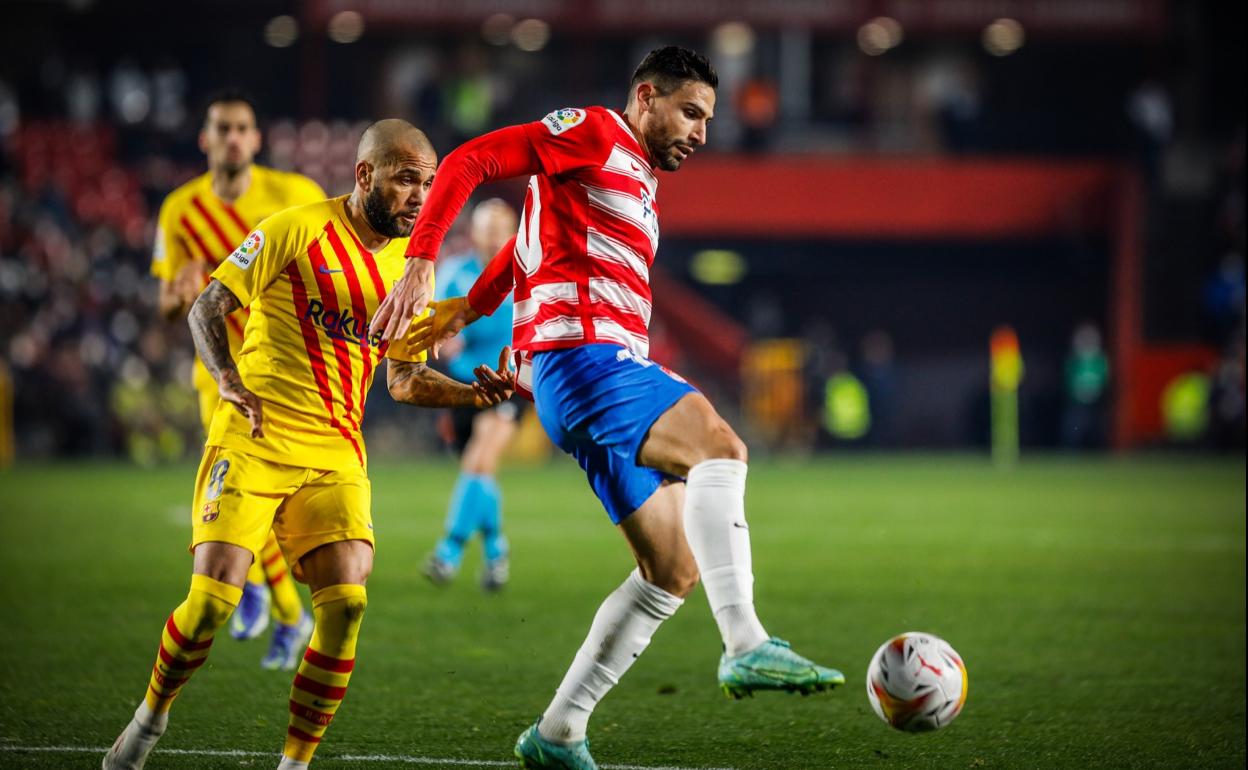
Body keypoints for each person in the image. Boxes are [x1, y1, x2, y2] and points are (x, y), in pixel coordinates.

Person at [371, 46, 842, 770]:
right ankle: (746, 642)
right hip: (587, 362)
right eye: (691, 113)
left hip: (576, 378)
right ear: (645, 96)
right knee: (721, 449)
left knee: (672, 568)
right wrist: (422, 261)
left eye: (708, 121)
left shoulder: (632, 180)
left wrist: (470, 307)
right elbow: (471, 159)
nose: (701, 133)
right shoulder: (595, 131)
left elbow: (528, 246)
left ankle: (559, 731)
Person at [103, 119, 515, 770]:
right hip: (255, 436)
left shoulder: (413, 271)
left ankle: (294, 764)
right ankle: (148, 722)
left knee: (347, 604)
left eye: (429, 184)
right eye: (407, 180)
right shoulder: (294, 229)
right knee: (211, 603)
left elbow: (403, 381)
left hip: (334, 453)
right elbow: (206, 308)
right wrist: (227, 378)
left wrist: (474, 396)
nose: (421, 196)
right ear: (364, 175)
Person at [151, 89, 325, 668]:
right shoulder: (180, 210)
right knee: (241, 493)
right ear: (206, 139)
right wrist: (179, 297)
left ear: (256, 139)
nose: (232, 137)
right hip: (220, 372)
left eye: (241, 128)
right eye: (222, 128)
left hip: (284, 367)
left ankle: (269, 600)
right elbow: (169, 304)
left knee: (267, 499)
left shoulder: (294, 195)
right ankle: (280, 608)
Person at [423, 198, 522, 591]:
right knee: (479, 470)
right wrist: (445, 338)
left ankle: (448, 551)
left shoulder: (527, 274)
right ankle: (497, 550)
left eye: (501, 229)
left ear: (513, 233)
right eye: (487, 228)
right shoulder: (454, 272)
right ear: (474, 232)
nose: (494, 236)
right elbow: (435, 321)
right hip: (462, 385)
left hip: (508, 384)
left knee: (481, 460)